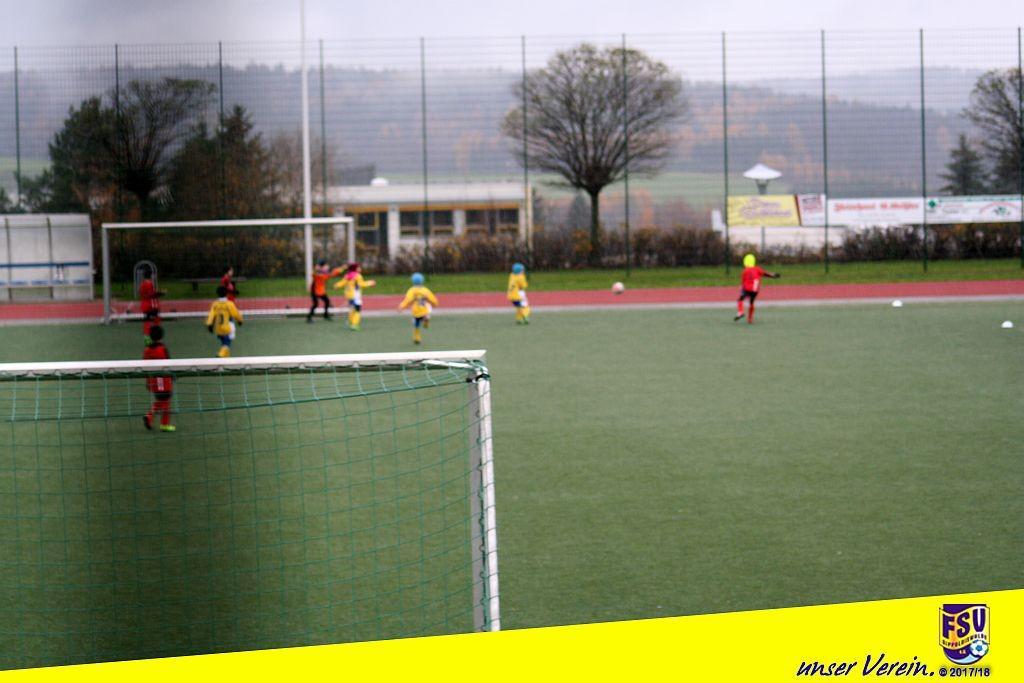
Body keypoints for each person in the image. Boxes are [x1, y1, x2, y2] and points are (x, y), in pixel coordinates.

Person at [142, 325, 175, 432]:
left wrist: (147, 381)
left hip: (153, 380)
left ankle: (152, 418)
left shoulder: (147, 350)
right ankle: (160, 422)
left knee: (162, 400)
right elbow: (169, 364)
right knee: (165, 401)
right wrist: (173, 375)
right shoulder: (162, 349)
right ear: (162, 336)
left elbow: (144, 366)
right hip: (163, 380)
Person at [734, 253, 780, 324]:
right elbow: (765, 274)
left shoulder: (745, 271)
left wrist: (742, 288)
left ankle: (740, 312)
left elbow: (743, 282)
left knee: (740, 299)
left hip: (747, 289)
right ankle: (750, 319)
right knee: (751, 302)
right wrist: (773, 275)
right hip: (755, 290)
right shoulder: (757, 269)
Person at [398, 272, 439, 345]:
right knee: (428, 309)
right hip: (424, 310)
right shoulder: (425, 290)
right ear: (422, 281)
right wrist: (435, 303)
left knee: (416, 325)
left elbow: (407, 300)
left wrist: (401, 306)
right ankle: (426, 319)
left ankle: (417, 338)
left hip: (416, 311)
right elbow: (432, 299)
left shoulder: (411, 291)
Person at [334, 262, 376, 331]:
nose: (360, 268)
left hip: (349, 296)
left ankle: (351, 322)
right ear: (355, 268)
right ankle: (355, 324)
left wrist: (336, 285)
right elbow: (361, 284)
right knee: (357, 310)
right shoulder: (358, 276)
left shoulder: (347, 275)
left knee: (352, 309)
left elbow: (342, 283)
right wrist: (370, 283)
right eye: (358, 267)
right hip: (356, 296)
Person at [207, 286, 245, 358]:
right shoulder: (229, 304)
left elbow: (211, 315)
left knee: (224, 341)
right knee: (228, 340)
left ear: (217, 293)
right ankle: (221, 353)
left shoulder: (215, 304)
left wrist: (209, 324)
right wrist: (240, 320)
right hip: (227, 327)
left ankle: (226, 356)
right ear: (227, 294)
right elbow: (236, 313)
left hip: (218, 328)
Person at [138, 266, 165, 343]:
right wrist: (160, 293)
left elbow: (141, 293)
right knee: (156, 321)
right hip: (151, 306)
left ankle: (147, 338)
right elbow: (151, 295)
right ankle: (155, 337)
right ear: (151, 275)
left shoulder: (143, 284)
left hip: (145, 306)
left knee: (147, 321)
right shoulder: (149, 284)